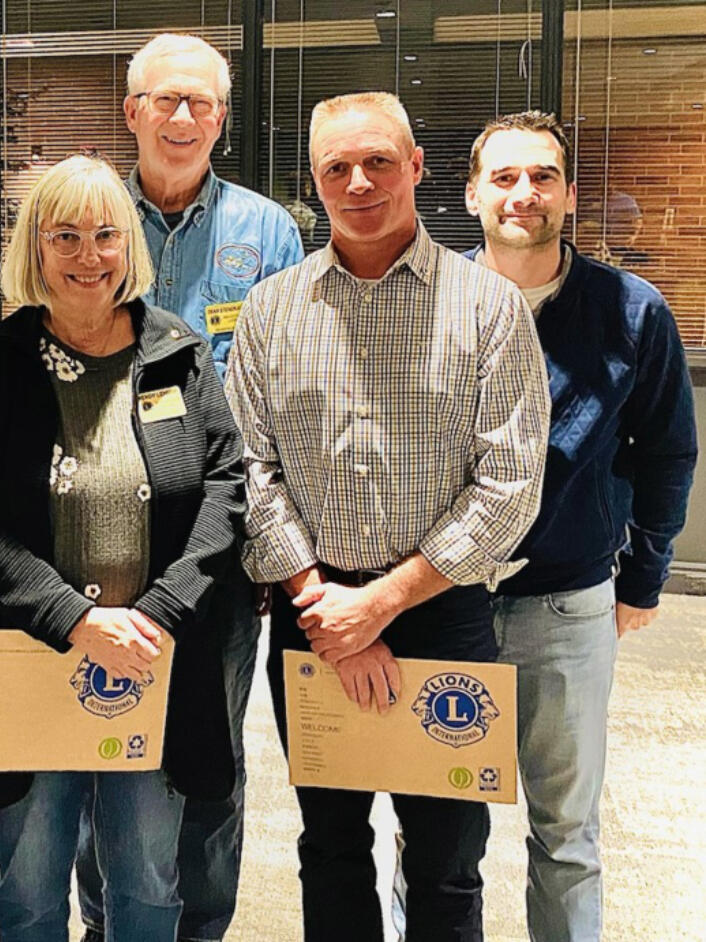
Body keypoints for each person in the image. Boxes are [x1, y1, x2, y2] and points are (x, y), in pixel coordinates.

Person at [224, 92, 550, 941]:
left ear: (415, 167)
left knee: (447, 862)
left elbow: (510, 484)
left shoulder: (489, 308)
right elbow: (251, 473)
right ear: (315, 181)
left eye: (378, 161)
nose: (359, 181)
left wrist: (380, 606)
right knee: (329, 845)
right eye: (336, 167)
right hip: (313, 616)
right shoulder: (270, 310)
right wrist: (328, 602)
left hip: (442, 615)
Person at [0, 153, 243, 942]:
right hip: (27, 653)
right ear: (33, 249)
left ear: (128, 247)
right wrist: (73, 617)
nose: (88, 256)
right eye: (64, 236)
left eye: (106, 234)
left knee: (145, 881)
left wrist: (162, 612)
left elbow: (225, 488)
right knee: (32, 884)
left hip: (149, 654)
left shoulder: (175, 351)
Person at [78, 33, 304, 942]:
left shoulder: (268, 232)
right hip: (98, 536)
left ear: (222, 116)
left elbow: (288, 391)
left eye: (201, 103)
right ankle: (106, 920)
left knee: (210, 752)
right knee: (101, 740)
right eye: (164, 100)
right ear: (131, 110)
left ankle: (201, 926)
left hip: (222, 541)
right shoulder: (86, 214)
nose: (182, 118)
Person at [465, 110, 696, 942]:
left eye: (542, 177)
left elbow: (668, 452)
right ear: (470, 193)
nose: (523, 194)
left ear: (569, 193)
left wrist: (644, 577)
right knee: (434, 829)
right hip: (441, 603)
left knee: (566, 833)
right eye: (504, 177)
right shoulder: (433, 301)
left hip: (566, 609)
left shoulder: (630, 311)